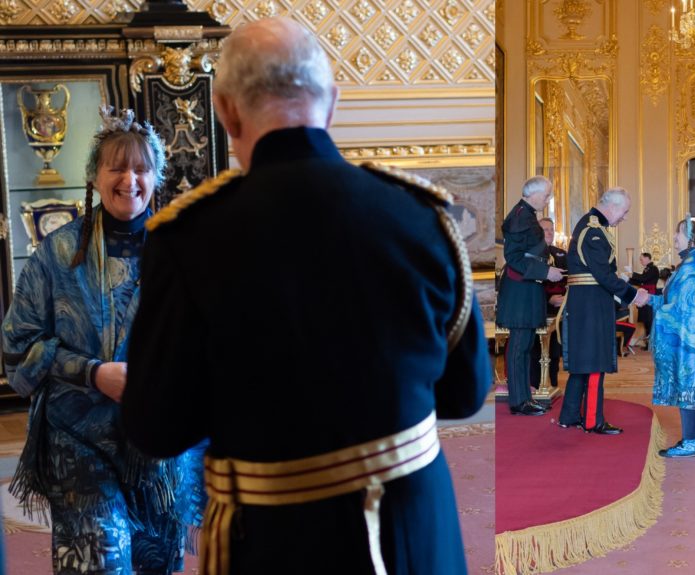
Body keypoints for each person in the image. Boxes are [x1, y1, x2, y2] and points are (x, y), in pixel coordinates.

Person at [120, 17, 491, 575]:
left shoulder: (188, 240)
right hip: (413, 532)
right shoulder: (421, 216)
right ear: (333, 102)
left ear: (226, 111)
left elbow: (157, 428)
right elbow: (466, 394)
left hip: (275, 541)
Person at [2, 107, 205, 575]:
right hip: (78, 439)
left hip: (161, 444)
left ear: (156, 177)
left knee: (157, 563)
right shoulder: (56, 253)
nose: (129, 179)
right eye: (117, 166)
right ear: (95, 175)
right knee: (101, 563)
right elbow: (17, 346)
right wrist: (93, 373)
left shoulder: (183, 252)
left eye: (141, 168)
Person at [557, 188, 649, 434]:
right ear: (613, 207)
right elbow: (604, 276)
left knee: (582, 362)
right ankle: (592, 421)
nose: (625, 217)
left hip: (587, 302)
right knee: (595, 360)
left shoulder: (592, 226)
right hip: (591, 304)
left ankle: (569, 415)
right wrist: (633, 294)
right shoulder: (593, 231)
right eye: (625, 212)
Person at [498, 176, 563, 414]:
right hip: (519, 291)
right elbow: (514, 258)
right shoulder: (519, 217)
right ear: (532, 194)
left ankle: (524, 398)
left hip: (526, 288)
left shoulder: (525, 215)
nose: (548, 200)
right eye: (546, 195)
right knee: (519, 346)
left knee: (525, 346)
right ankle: (518, 402)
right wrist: (546, 271)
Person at [650, 217, 695, 458]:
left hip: (686, 337)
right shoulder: (691, 262)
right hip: (689, 335)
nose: (674, 238)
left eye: (677, 233)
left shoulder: (689, 267)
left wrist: (652, 302)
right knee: (694, 387)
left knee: (689, 386)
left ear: (688, 237)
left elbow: (680, 309)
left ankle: (690, 441)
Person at [530, 217, 568, 389]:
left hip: (559, 314)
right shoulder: (530, 254)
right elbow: (529, 285)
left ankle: (552, 386)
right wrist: (548, 299)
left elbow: (570, 279)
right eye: (545, 229)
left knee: (554, 352)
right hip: (537, 310)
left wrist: (566, 299)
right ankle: (536, 387)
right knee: (536, 352)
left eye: (552, 229)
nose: (550, 232)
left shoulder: (561, 254)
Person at [629, 252, 659, 346]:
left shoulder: (653, 268)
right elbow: (641, 282)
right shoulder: (647, 269)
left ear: (647, 258)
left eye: (641, 259)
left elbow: (643, 279)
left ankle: (651, 342)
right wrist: (628, 279)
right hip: (644, 294)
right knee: (645, 319)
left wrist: (632, 274)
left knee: (649, 319)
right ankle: (648, 341)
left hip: (650, 296)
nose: (640, 261)